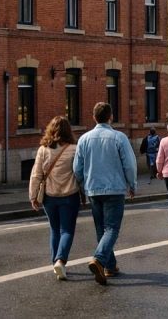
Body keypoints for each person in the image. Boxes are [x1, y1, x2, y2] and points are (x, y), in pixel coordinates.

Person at [73, 102, 137, 285]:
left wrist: (81, 185)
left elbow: (77, 168)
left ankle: (110, 266)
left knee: (101, 229)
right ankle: (99, 259)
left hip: (93, 188)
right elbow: (130, 165)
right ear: (111, 117)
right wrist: (132, 185)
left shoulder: (84, 139)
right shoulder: (119, 137)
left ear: (93, 117)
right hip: (115, 189)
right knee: (112, 229)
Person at [28, 116, 81, 281]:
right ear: (68, 130)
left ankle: (55, 263)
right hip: (69, 195)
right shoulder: (74, 149)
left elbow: (36, 175)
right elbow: (80, 173)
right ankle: (61, 260)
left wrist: (33, 196)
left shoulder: (43, 149)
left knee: (54, 229)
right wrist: (85, 191)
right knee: (67, 230)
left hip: (49, 197)